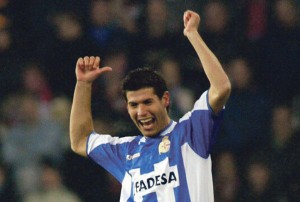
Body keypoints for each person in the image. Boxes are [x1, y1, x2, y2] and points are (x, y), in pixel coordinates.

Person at [70, 10, 231, 201]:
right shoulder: (125, 151)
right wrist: (83, 85)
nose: (141, 112)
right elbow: (80, 140)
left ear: (165, 99)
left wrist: (193, 35)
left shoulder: (191, 132)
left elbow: (221, 88)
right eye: (133, 105)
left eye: (147, 102)